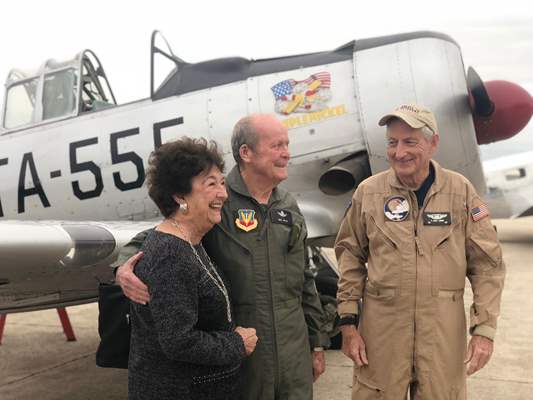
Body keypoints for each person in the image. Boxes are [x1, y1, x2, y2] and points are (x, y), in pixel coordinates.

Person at [116, 114, 330, 400]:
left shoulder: (288, 205)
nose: (286, 153)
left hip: (293, 357)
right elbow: (165, 234)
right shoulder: (215, 203)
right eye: (277, 145)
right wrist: (124, 265)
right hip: (242, 357)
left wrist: (316, 344)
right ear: (246, 153)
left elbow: (305, 277)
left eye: (287, 144)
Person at [335, 104, 506, 399]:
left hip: (442, 336)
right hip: (382, 336)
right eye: (392, 142)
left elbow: (487, 265)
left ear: (433, 143)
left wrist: (484, 330)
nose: (399, 152)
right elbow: (349, 253)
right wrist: (348, 324)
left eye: (410, 141)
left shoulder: (461, 192)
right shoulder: (369, 193)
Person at [127, 137, 258, 400]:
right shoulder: (170, 254)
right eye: (211, 184)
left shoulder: (190, 242)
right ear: (179, 196)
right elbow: (178, 341)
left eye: (222, 183)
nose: (223, 193)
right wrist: (237, 344)